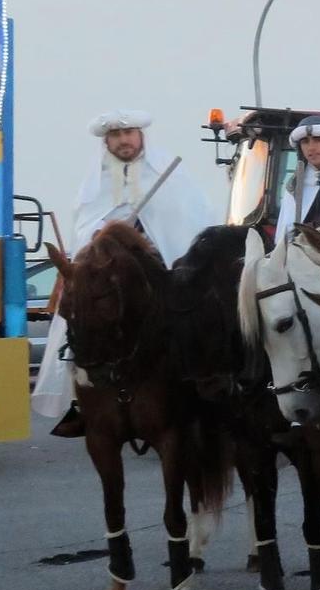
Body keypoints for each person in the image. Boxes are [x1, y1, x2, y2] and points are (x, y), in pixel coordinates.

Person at [33, 109, 214, 430]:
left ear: (140, 136)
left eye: (128, 133)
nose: (123, 140)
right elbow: (84, 230)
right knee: (83, 317)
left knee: (193, 315)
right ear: (107, 142)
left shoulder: (168, 176)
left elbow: (186, 222)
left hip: (160, 270)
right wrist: (102, 232)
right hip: (110, 275)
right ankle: (83, 399)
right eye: (115, 135)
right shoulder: (94, 184)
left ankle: (205, 385)